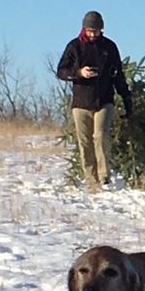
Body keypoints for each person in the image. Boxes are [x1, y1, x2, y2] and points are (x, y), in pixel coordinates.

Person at [56, 11, 133, 190]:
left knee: (100, 136)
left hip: (104, 100)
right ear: (84, 28)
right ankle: (91, 179)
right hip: (81, 103)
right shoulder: (74, 46)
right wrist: (79, 73)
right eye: (90, 30)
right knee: (85, 142)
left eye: (96, 31)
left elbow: (118, 75)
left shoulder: (110, 47)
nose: (93, 34)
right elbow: (61, 71)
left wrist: (126, 98)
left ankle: (105, 176)